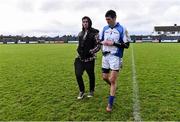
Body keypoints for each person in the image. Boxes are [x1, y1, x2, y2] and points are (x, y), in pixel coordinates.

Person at [99, 10, 130, 112]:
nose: (107, 21)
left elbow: (126, 45)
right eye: (106, 19)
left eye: (109, 19)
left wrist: (113, 43)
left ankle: (110, 104)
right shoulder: (104, 28)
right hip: (105, 56)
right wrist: (102, 42)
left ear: (114, 18)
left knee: (112, 80)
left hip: (115, 57)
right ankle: (114, 87)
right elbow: (100, 40)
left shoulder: (122, 29)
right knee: (104, 78)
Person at [74, 16, 100, 100]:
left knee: (91, 75)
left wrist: (91, 51)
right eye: (83, 22)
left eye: (86, 22)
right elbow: (79, 44)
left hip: (89, 59)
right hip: (80, 58)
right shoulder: (80, 33)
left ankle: (91, 90)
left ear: (89, 23)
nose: (85, 23)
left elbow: (98, 45)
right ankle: (82, 91)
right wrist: (77, 50)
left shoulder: (95, 33)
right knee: (78, 74)